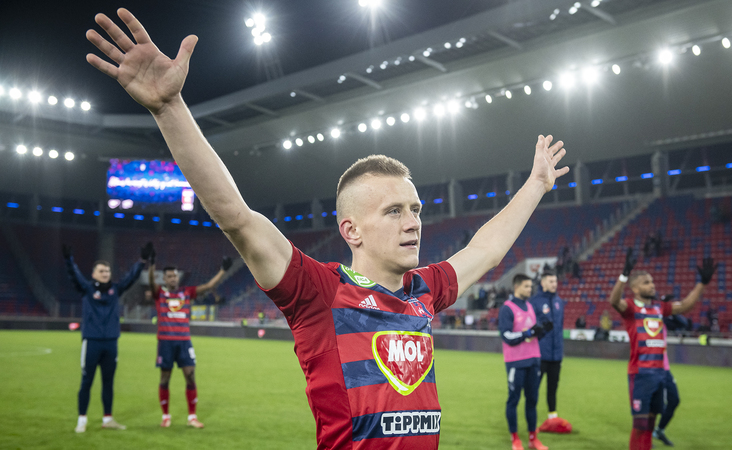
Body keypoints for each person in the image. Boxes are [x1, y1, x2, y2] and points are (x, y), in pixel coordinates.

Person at [85, 9, 569, 448]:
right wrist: (169, 108)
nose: (414, 223)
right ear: (351, 231)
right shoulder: (318, 291)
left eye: (416, 209)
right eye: (394, 211)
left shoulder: (425, 290)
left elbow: (485, 249)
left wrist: (537, 185)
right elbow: (237, 218)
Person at [608, 248, 716, 450]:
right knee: (639, 424)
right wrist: (624, 275)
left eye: (652, 281)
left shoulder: (659, 307)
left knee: (650, 423)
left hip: (660, 373)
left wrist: (702, 284)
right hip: (641, 373)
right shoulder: (630, 307)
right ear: (635, 288)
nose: (652, 285)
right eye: (646, 282)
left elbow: (684, 305)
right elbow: (614, 301)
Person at [64, 242, 152, 433]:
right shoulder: (87, 289)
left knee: (108, 382)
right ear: (94, 274)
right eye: (101, 271)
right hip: (92, 341)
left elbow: (131, 277)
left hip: (111, 342)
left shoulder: (115, 289)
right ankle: (82, 419)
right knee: (87, 381)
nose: (105, 274)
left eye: (107, 271)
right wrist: (69, 260)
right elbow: (74, 276)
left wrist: (142, 261)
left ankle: (108, 419)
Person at [148, 256, 232, 428]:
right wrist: (151, 265)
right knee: (165, 378)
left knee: (190, 377)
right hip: (165, 342)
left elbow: (208, 286)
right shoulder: (160, 293)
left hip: (184, 341)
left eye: (175, 275)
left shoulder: (187, 292)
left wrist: (223, 270)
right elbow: (150, 282)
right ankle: (166, 416)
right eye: (169, 276)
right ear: (164, 279)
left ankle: (192, 417)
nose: (173, 278)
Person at [499, 274, 553, 450]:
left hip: (534, 359)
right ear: (517, 287)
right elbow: (507, 336)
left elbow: (532, 334)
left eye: (531, 286)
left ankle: (532, 438)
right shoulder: (507, 308)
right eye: (527, 286)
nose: (530, 290)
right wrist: (527, 333)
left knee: (532, 400)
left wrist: (542, 331)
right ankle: (515, 438)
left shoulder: (530, 306)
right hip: (516, 362)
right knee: (513, 400)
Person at [530, 271, 572, 434]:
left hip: (556, 355)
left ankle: (552, 419)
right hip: (540, 354)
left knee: (553, 388)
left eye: (555, 281)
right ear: (543, 283)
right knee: (534, 388)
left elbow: (559, 327)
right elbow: (531, 326)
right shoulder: (534, 302)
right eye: (551, 281)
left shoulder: (559, 301)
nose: (555, 284)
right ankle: (531, 421)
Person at [653, 296, 689, 447]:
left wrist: (671, 310)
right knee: (653, 404)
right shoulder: (648, 318)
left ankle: (659, 430)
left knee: (674, 400)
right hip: (650, 367)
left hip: (665, 368)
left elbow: (683, 323)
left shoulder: (664, 319)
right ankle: (647, 435)